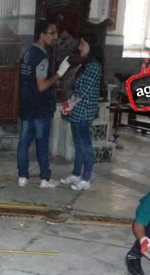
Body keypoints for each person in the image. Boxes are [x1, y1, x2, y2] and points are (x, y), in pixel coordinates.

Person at [17, 19, 71, 189]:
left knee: (24, 142)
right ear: (42, 34)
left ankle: (22, 176)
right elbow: (41, 86)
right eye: (52, 33)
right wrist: (59, 74)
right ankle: (45, 179)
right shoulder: (41, 58)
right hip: (39, 108)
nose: (55, 37)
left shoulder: (26, 54)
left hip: (26, 105)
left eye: (56, 33)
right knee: (42, 143)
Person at [59, 33, 103, 191]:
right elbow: (76, 87)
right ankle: (76, 174)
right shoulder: (85, 64)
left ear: (91, 46)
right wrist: (69, 103)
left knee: (86, 145)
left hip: (84, 111)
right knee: (78, 144)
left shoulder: (94, 66)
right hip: (77, 110)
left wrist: (71, 103)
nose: (80, 47)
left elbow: (85, 91)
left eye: (83, 43)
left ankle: (86, 178)